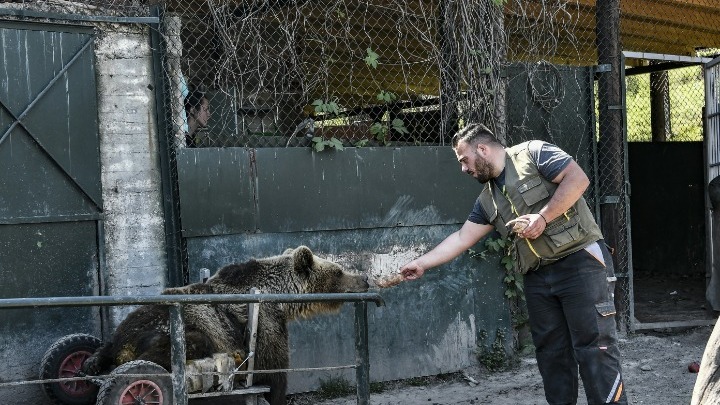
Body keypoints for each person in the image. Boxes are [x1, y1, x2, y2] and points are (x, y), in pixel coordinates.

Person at [399, 123, 628, 404]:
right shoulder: (487, 200)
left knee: (595, 348)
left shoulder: (534, 153)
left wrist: (542, 218)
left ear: (482, 149)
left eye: (464, 160)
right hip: (537, 276)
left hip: (580, 262)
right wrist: (422, 263)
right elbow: (461, 238)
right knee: (551, 354)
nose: (464, 169)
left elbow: (578, 179)